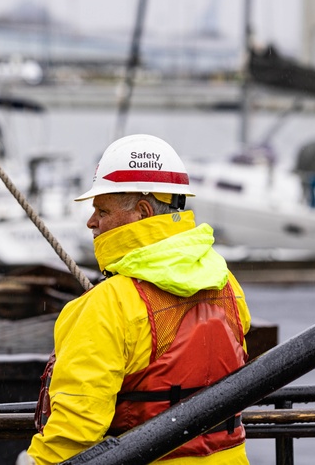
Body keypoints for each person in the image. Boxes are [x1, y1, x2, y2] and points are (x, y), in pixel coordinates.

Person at [19, 134, 252, 465]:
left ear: (141, 212)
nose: (91, 221)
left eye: (102, 209)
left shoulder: (108, 304)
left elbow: (73, 435)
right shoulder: (227, 286)